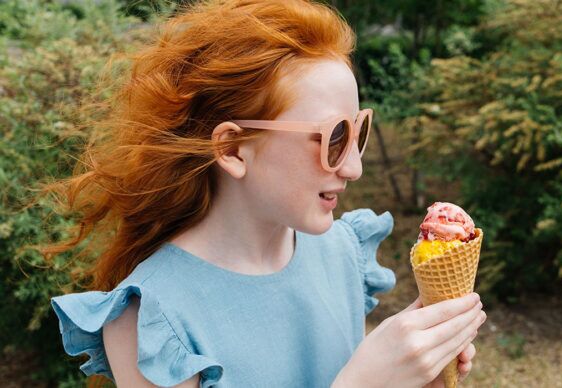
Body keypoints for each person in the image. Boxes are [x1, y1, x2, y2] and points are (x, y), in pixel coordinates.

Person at [46, 0, 487, 387]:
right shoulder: (151, 321)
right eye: (333, 137)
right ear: (233, 148)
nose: (354, 167)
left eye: (359, 131)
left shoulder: (339, 252)